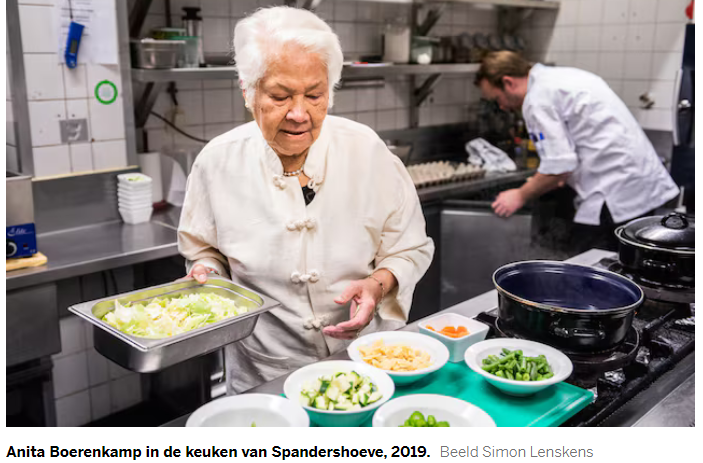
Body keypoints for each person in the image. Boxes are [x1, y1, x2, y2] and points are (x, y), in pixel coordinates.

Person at [177, 7, 434, 394]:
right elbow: (204, 251)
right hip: (267, 373)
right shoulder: (217, 163)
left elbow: (411, 248)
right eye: (280, 96)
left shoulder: (367, 151)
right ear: (248, 92)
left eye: (315, 95)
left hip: (367, 361)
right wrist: (207, 274)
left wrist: (378, 285)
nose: (299, 114)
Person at [475, 51, 680, 254]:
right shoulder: (563, 77)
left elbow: (559, 168)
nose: (502, 106)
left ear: (508, 82)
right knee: (626, 263)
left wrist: (520, 195)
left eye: (497, 99)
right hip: (639, 185)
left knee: (592, 265)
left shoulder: (538, 99)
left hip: (614, 194)